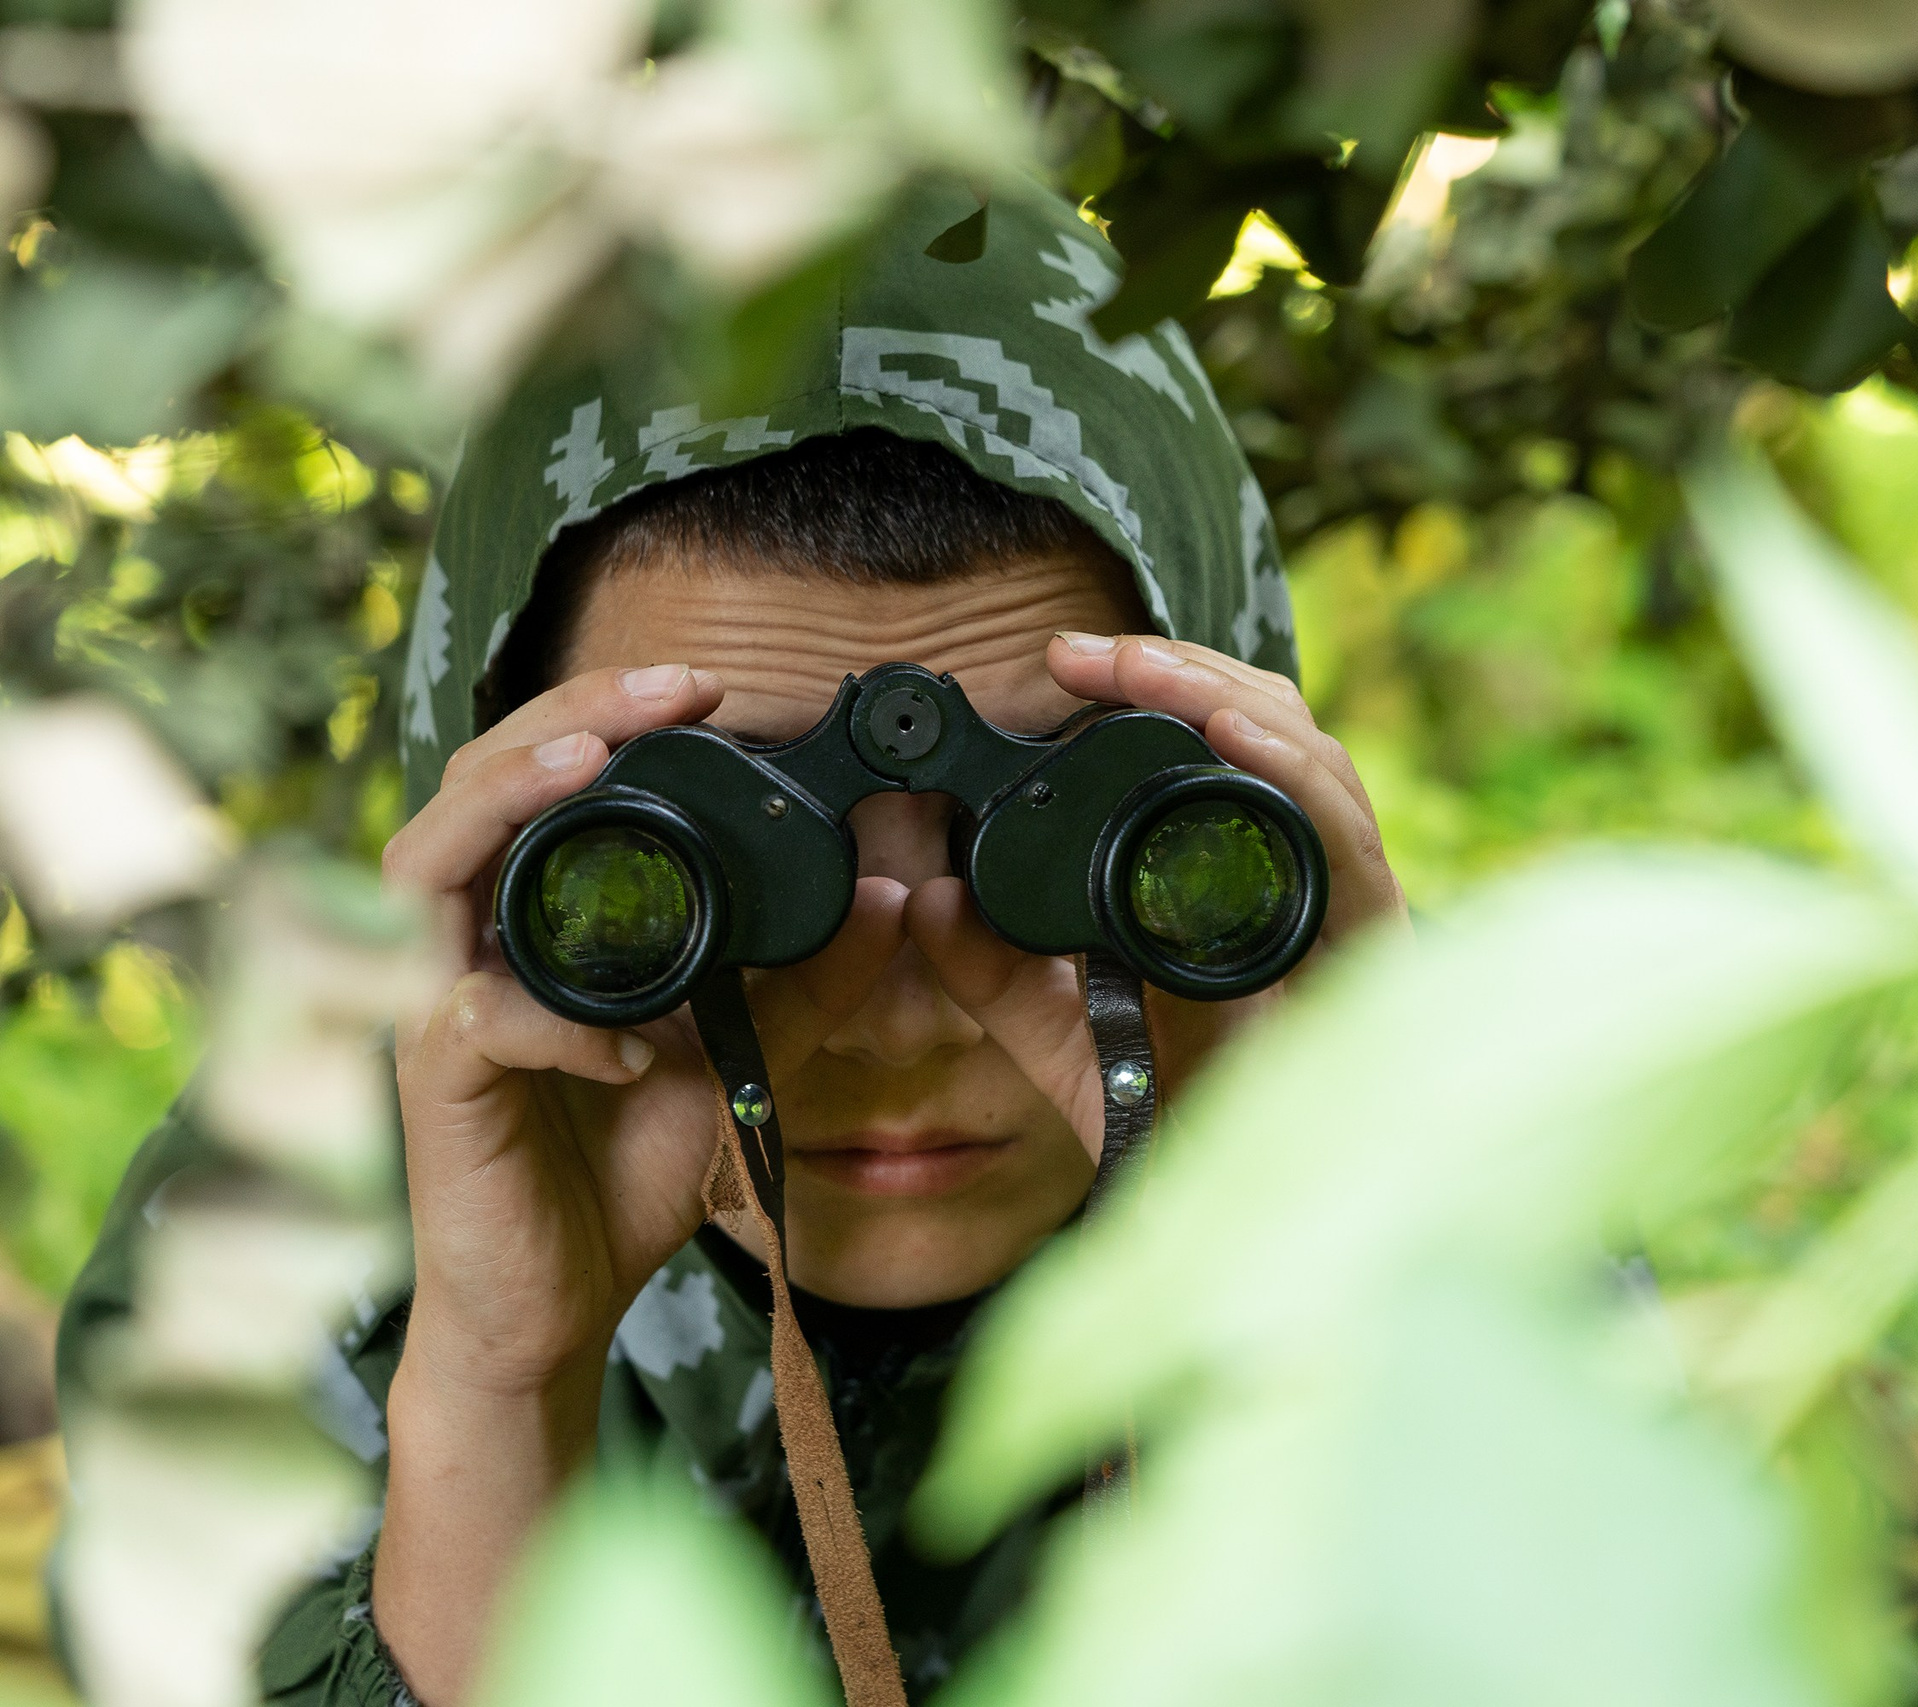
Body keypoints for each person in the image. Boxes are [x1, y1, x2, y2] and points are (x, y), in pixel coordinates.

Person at [55, 183, 1406, 1705]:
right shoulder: (277, 1244)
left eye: (1056, 824)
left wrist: (1330, 1254)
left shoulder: (1426, 1167)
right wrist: (500, 1389)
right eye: (713, 855)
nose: (901, 1019)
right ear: (498, 812)